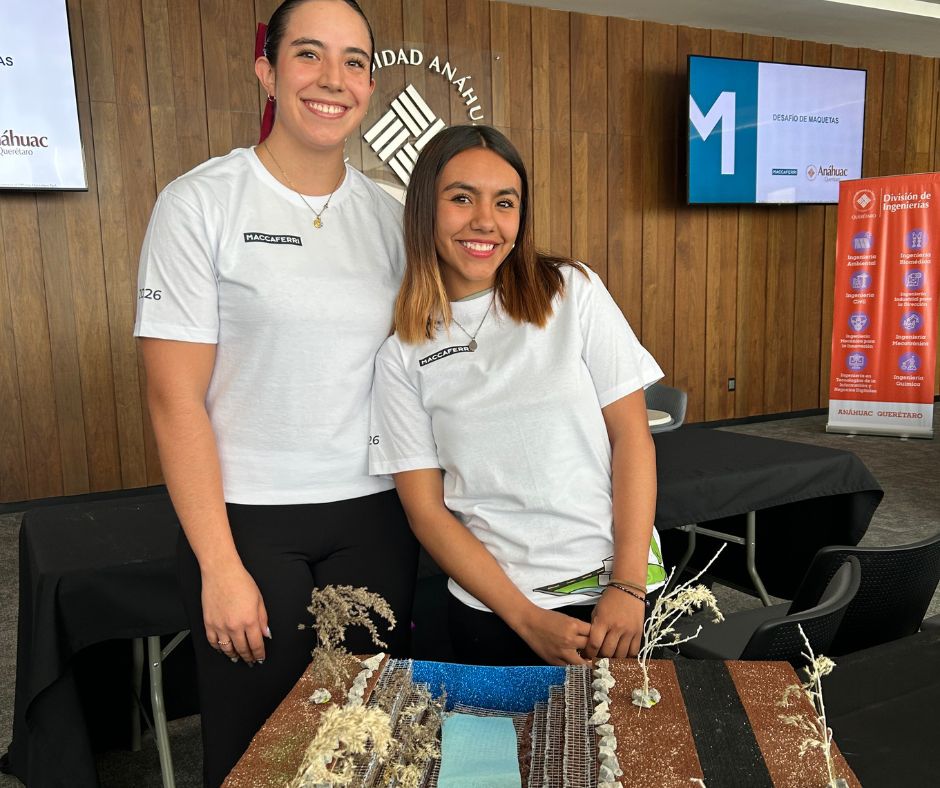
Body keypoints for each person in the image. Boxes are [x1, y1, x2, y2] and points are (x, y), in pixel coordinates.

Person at [134, 1, 417, 783]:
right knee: (261, 751)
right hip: (249, 523)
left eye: (355, 61)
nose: (334, 80)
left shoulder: (393, 214)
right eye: (309, 56)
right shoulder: (201, 203)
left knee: (368, 738)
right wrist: (219, 566)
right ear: (267, 69)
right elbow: (173, 400)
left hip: (377, 512)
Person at [369, 125, 665, 667]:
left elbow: (632, 438)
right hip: (498, 611)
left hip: (621, 599)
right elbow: (428, 513)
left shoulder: (571, 292)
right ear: (424, 211)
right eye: (461, 198)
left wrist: (627, 586)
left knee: (630, 752)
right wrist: (526, 619)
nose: (485, 220)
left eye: (505, 203)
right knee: (512, 754)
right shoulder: (402, 354)